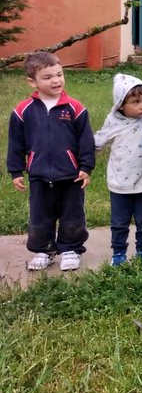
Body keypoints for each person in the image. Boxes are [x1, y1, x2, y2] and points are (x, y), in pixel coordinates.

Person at [8, 52, 95, 272]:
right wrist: (16, 171)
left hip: (71, 176)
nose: (56, 80)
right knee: (40, 216)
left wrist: (86, 167)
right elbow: (16, 143)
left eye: (59, 74)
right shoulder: (22, 111)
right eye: (47, 77)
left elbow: (86, 140)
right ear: (32, 82)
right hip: (38, 176)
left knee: (72, 215)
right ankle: (44, 250)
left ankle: (70, 249)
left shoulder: (75, 108)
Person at [93, 74, 142, 266]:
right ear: (121, 104)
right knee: (119, 223)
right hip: (120, 182)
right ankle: (119, 254)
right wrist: (80, 161)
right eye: (136, 102)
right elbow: (98, 142)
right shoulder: (113, 121)